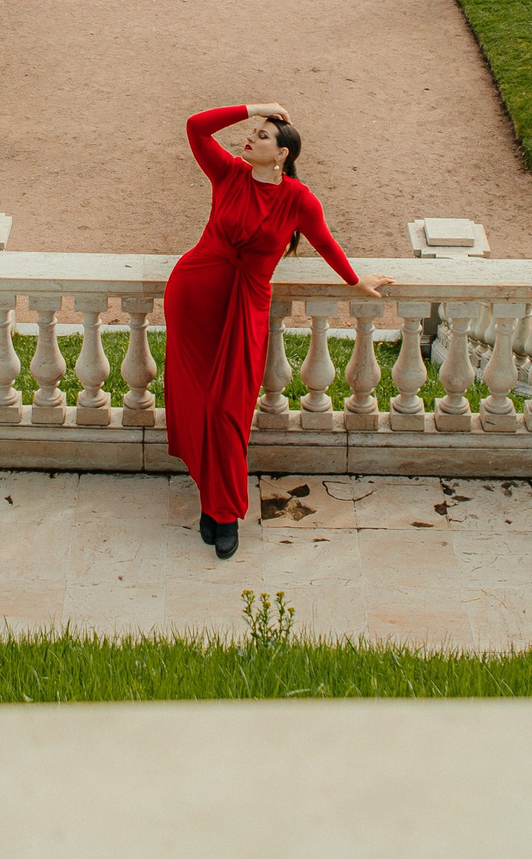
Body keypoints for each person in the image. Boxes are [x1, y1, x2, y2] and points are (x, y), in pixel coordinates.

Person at [162, 103, 394, 558]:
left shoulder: (298, 199)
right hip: (194, 295)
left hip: (245, 304)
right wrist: (256, 106)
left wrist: (354, 280)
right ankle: (215, 507)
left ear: (283, 153)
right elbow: (195, 126)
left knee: (228, 412)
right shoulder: (227, 173)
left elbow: (324, 240)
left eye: (262, 135)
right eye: (252, 132)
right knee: (198, 404)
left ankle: (222, 510)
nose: (249, 138)